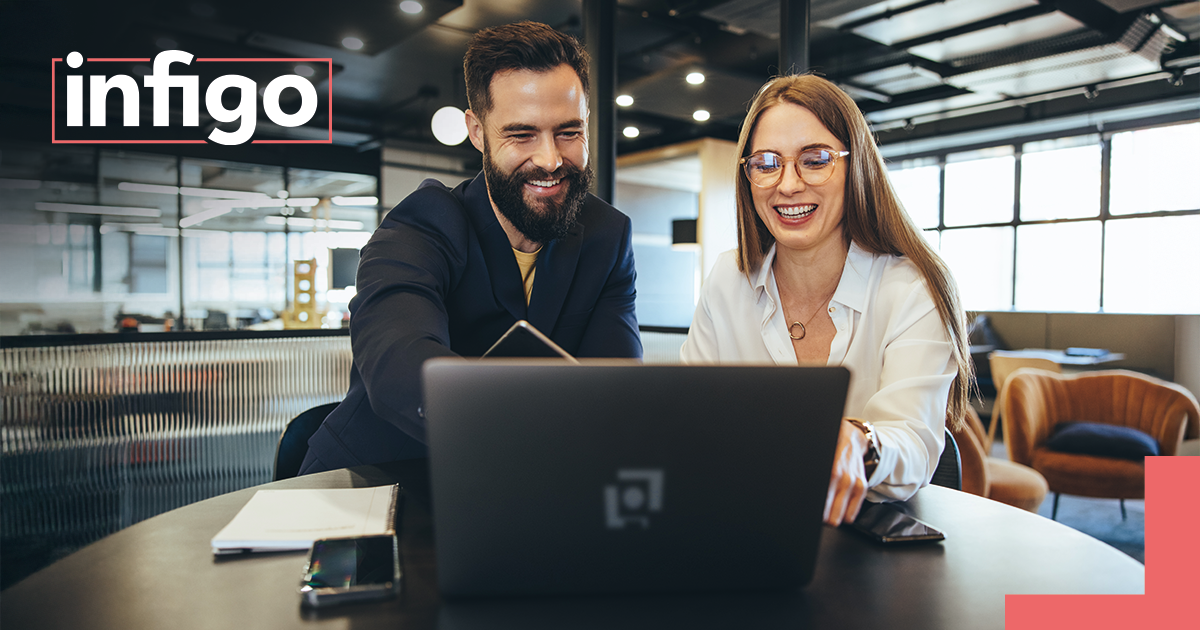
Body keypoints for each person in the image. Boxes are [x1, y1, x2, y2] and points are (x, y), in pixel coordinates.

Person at [300, 21, 642, 474]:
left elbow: (616, 391)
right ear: (478, 132)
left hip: (526, 493)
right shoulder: (420, 226)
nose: (550, 159)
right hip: (381, 481)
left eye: (568, 132)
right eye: (521, 135)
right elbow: (403, 370)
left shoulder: (607, 235)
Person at [680, 74, 971, 526]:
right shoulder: (727, 278)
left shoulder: (910, 288)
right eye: (766, 163)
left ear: (856, 166)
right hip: (745, 524)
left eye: (815, 160)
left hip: (865, 545)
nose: (789, 184)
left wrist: (860, 441)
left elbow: (913, 443)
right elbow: (690, 417)